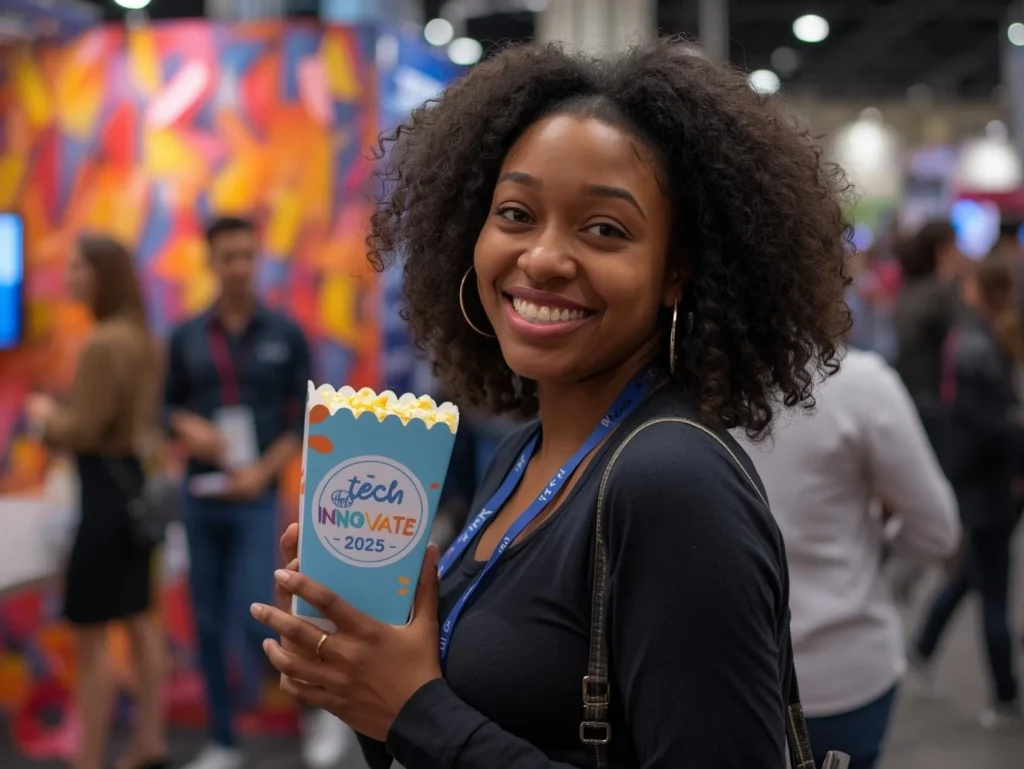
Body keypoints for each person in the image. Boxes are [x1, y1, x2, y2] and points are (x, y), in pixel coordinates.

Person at [250, 38, 851, 768]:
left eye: (605, 229)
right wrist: (367, 674)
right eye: (515, 213)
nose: (541, 257)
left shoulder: (672, 485)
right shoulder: (524, 452)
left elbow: (441, 724)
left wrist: (418, 709)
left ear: (676, 272)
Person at [164, 217, 344, 769]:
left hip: (256, 498)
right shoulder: (186, 336)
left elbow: (305, 421)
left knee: (254, 613)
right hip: (201, 494)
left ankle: (315, 713)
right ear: (211, 262)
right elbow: (164, 408)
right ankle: (223, 740)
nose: (239, 266)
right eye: (228, 257)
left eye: (247, 255)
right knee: (209, 621)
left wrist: (262, 472)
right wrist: (185, 426)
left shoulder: (284, 334)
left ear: (257, 258)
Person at [739, 346, 960, 769]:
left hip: (724, 677)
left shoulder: (681, 381)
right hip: (843, 672)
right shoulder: (859, 384)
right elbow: (937, 533)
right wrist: (876, 532)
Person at [25, 235, 166, 769]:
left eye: (79, 266)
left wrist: (44, 418)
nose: (70, 276)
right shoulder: (142, 338)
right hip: (133, 490)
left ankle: (87, 759)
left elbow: (81, 429)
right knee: (140, 619)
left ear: (103, 273)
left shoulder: (103, 343)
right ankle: (149, 740)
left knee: (91, 639)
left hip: (103, 499)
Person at [912, 257, 1024, 729]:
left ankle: (923, 647)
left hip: (985, 486)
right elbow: (994, 425)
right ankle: (1004, 691)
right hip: (992, 488)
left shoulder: (979, 343)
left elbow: (984, 425)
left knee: (976, 577)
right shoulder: (986, 344)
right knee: (989, 587)